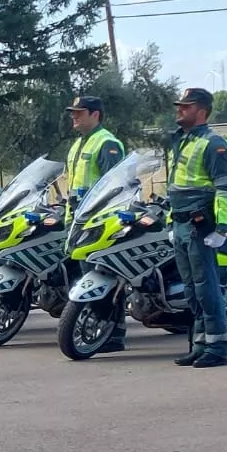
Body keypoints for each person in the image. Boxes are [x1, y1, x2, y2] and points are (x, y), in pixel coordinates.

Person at [168, 88, 227, 369]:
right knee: (191, 290)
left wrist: (220, 228)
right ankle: (200, 344)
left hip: (200, 226)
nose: (180, 110)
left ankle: (217, 347)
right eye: (180, 106)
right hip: (182, 223)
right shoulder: (183, 141)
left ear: (202, 111)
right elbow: (178, 186)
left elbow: (226, 188)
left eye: (187, 106)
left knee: (206, 288)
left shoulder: (212, 143)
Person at [64, 95, 129, 353]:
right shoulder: (79, 144)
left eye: (80, 112)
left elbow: (114, 184)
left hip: (99, 221)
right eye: (73, 112)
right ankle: (94, 328)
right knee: (87, 276)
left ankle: (114, 332)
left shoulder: (107, 143)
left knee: (107, 276)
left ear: (95, 115)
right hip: (79, 219)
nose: (74, 116)